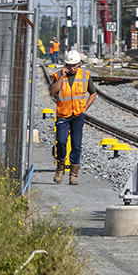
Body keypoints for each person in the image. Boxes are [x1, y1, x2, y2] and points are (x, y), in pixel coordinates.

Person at [48, 49, 98, 185]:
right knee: (61, 142)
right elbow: (53, 91)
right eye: (69, 65)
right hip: (63, 115)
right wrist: (62, 77)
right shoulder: (58, 75)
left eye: (75, 65)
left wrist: (85, 109)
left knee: (76, 144)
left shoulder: (85, 75)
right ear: (65, 65)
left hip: (77, 115)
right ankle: (60, 168)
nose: (72, 68)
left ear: (79, 64)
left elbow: (93, 93)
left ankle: (74, 174)